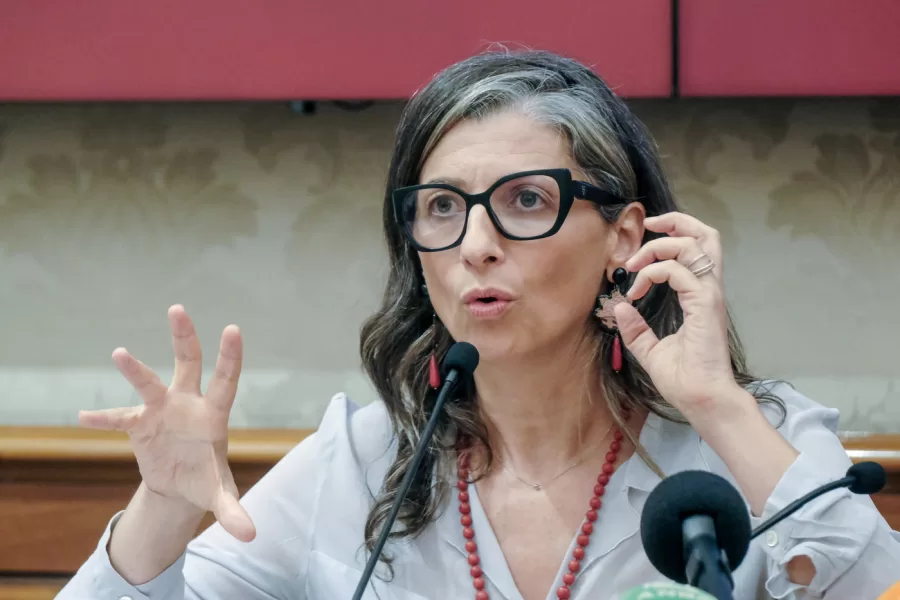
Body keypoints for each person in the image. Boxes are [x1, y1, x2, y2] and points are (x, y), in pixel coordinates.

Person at [58, 50, 900, 600]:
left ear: (624, 237)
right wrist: (162, 508)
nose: (475, 245)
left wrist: (715, 403)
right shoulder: (360, 464)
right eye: (441, 207)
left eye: (526, 201)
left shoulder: (757, 439)